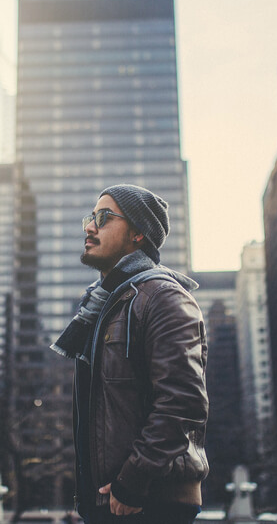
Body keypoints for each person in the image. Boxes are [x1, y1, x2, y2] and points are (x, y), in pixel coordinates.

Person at [51, 184, 209, 524]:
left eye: (104, 217)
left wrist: (132, 483)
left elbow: (183, 403)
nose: (89, 227)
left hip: (149, 502)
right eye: (91, 217)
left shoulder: (163, 298)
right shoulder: (104, 307)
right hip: (113, 501)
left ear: (138, 233)